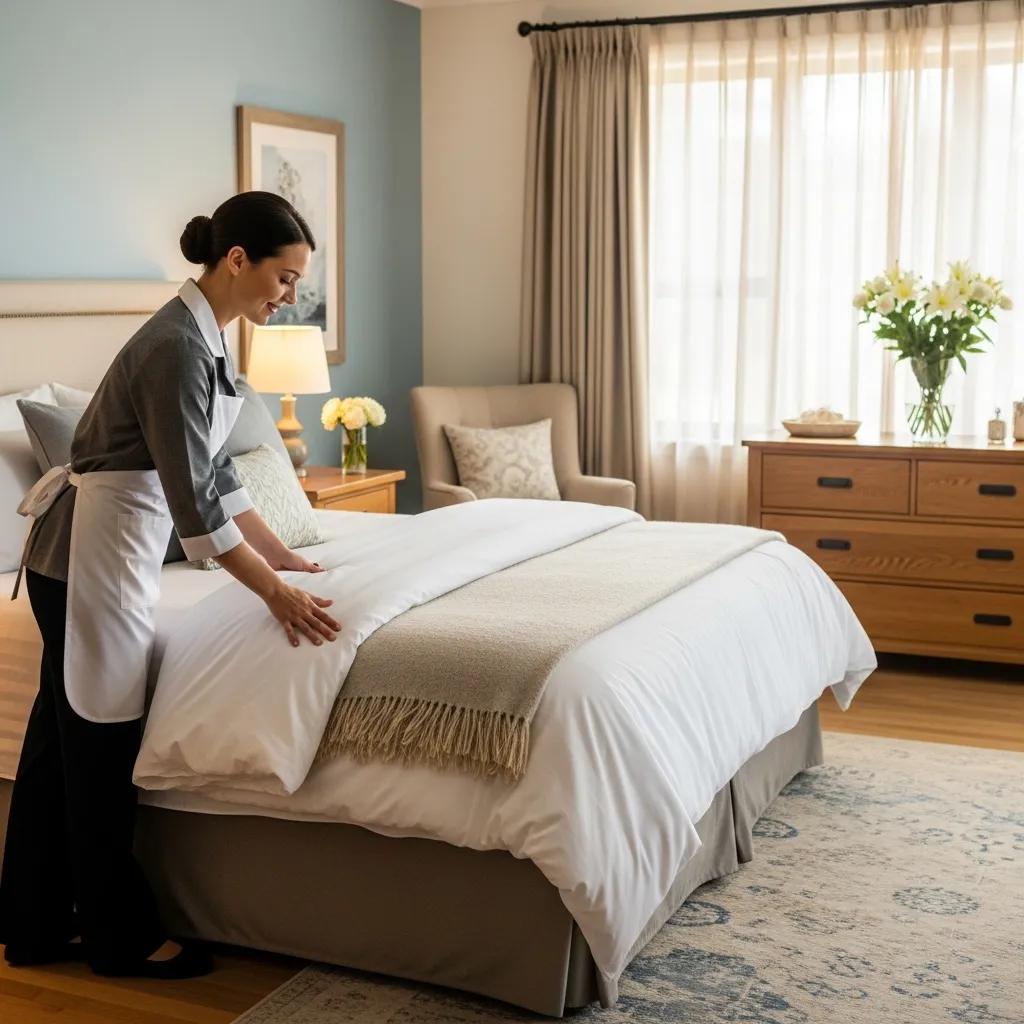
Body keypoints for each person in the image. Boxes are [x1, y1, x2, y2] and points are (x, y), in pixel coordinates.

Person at [0, 191, 342, 979]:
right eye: (284, 279)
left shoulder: (207, 338)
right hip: (89, 560)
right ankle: (119, 940)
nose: (288, 297)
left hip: (111, 551)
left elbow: (218, 472)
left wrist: (280, 552)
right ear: (236, 261)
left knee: (60, 749)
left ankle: (33, 924)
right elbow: (193, 506)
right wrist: (273, 594)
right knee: (98, 749)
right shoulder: (176, 349)